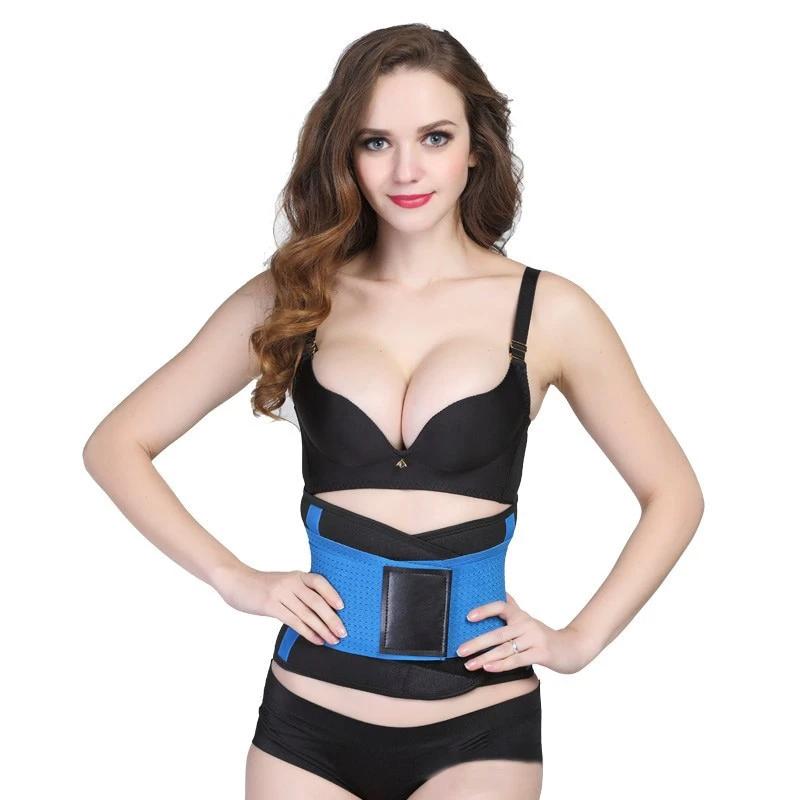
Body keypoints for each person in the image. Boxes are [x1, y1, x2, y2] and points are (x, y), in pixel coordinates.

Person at [83, 23, 705, 800]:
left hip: (480, 725)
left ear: (475, 148)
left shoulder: (550, 311)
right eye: (376, 142)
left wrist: (578, 641)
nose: (406, 169)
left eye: (435, 138)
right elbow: (116, 444)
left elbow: (674, 493)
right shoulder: (296, 296)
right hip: (307, 721)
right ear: (344, 154)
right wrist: (234, 580)